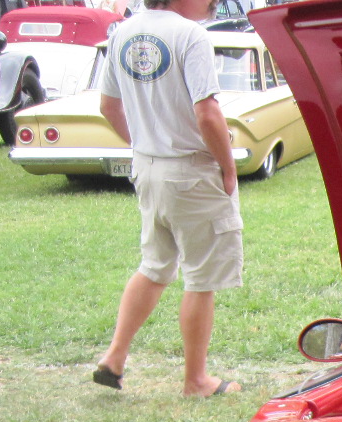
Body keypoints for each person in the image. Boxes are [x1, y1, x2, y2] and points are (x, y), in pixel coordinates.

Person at [91, 0, 242, 397]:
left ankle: (114, 358)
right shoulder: (190, 35)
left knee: (155, 265)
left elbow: (108, 106)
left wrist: (144, 146)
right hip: (191, 171)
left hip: (148, 168)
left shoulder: (122, 32)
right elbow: (207, 114)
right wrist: (227, 167)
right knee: (202, 276)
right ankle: (197, 381)